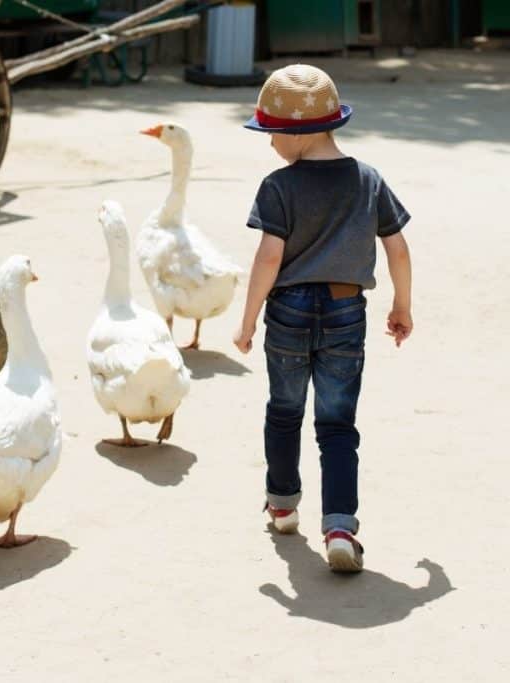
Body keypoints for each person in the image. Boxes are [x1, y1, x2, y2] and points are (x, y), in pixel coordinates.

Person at [233, 64, 412, 572]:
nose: (269, 145)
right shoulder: (369, 181)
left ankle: (283, 504)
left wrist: (247, 322)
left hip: (287, 311)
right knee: (337, 424)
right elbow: (397, 248)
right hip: (345, 309)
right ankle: (339, 527)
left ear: (297, 135)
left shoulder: (278, 187)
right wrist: (402, 305)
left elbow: (269, 258)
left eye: (272, 134)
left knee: (284, 411)